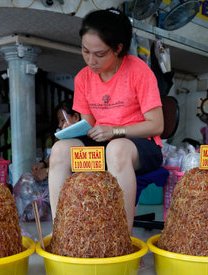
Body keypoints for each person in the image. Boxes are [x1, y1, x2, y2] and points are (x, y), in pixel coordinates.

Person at [48, 8, 164, 232]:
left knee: (117, 149)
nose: (91, 60)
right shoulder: (83, 77)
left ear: (118, 48)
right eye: (85, 51)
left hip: (141, 145)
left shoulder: (138, 70)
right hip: (104, 143)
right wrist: (73, 129)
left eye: (100, 54)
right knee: (61, 149)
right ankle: (61, 231)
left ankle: (122, 238)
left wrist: (114, 131)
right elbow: (89, 125)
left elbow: (156, 125)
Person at [31, 99, 80, 182]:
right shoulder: (66, 139)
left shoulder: (86, 140)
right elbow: (59, 156)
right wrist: (43, 163)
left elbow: (78, 165)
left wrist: (47, 171)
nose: (60, 125)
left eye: (62, 120)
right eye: (59, 121)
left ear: (76, 117)